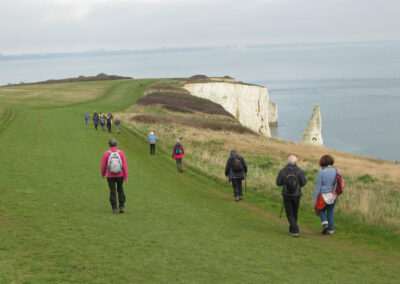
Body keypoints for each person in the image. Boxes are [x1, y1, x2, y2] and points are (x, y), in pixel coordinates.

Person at [276, 155, 307, 237]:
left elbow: (278, 183)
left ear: (288, 162)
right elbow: (303, 183)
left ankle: (294, 230)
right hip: (297, 195)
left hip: (286, 194)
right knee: (295, 212)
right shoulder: (300, 171)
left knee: (289, 213)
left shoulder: (283, 171)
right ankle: (293, 229)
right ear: (296, 162)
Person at [101, 138, 128, 214]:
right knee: (120, 189)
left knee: (112, 191)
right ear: (116, 144)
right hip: (120, 175)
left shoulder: (106, 153)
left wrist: (103, 174)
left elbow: (103, 165)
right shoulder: (121, 153)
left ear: (109, 145)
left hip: (110, 175)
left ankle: (114, 208)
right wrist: (126, 176)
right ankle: (121, 206)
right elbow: (125, 165)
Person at [314, 154, 337, 235]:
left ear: (322, 162)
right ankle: (331, 230)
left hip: (323, 195)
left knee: (320, 209)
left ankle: (324, 223)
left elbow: (318, 186)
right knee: (330, 212)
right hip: (333, 195)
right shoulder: (336, 171)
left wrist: (315, 199)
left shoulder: (321, 172)